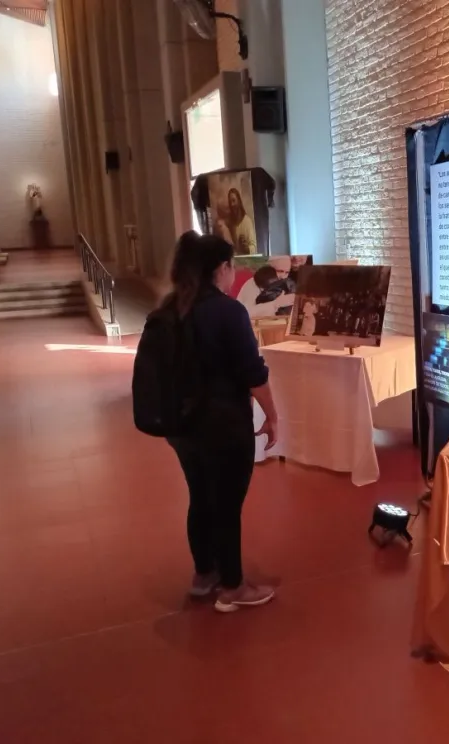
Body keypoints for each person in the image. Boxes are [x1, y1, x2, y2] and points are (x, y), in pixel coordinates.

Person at [161, 231, 277, 612]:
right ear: (222, 268)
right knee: (227, 504)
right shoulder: (228, 312)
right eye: (232, 267)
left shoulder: (170, 308)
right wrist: (272, 415)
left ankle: (204, 574)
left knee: (200, 496)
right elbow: (253, 372)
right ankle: (232, 587)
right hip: (223, 424)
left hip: (182, 426)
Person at [225, 188, 257, 255]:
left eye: (234, 201)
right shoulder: (229, 224)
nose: (232, 204)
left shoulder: (247, 221)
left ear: (239, 201)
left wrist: (246, 248)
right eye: (230, 202)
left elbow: (254, 247)